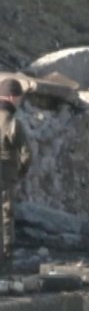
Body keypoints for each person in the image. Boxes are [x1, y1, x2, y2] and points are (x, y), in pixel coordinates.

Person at [0, 78, 31, 269]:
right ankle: (6, 256)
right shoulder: (13, 123)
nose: (19, 102)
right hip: (6, 174)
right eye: (18, 98)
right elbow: (27, 155)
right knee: (6, 213)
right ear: (11, 97)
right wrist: (20, 173)